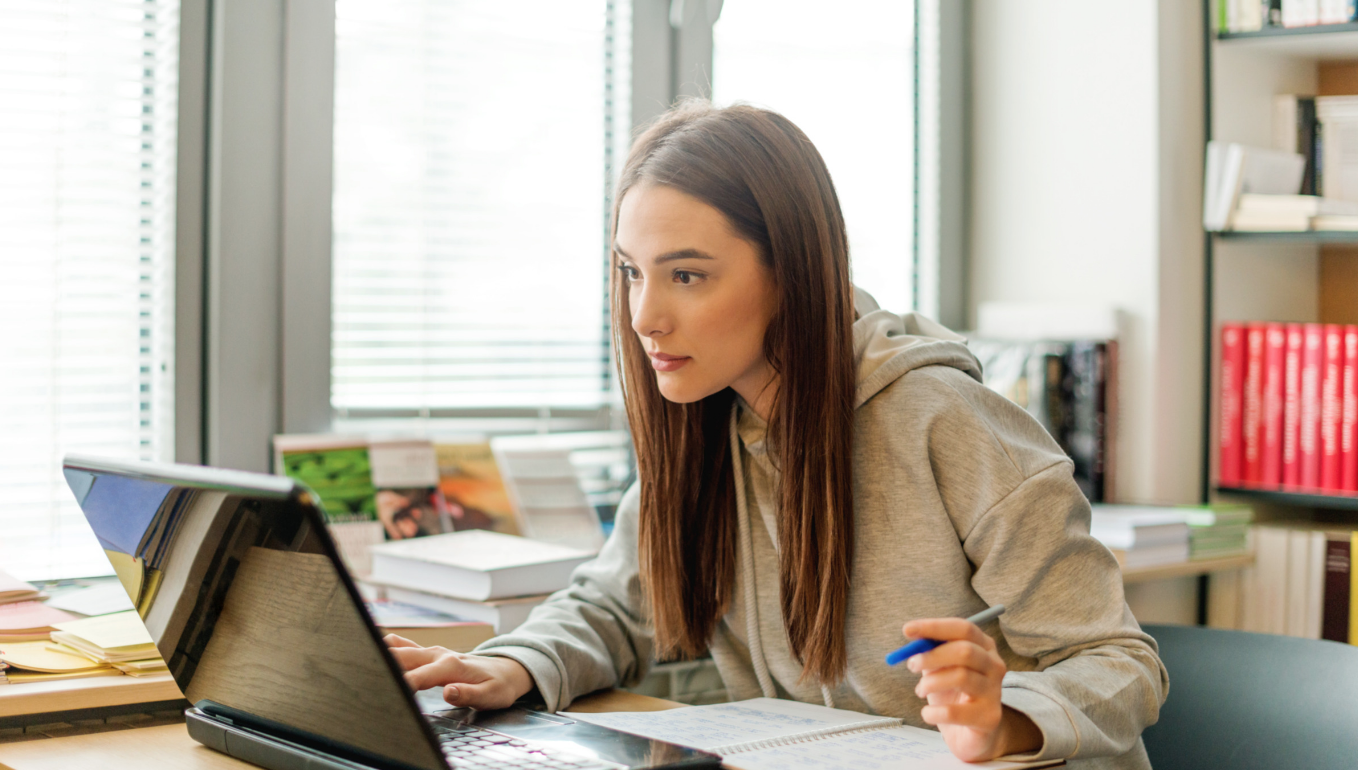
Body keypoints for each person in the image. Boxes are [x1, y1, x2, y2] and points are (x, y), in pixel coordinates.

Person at [384, 101, 1168, 768]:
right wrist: (507, 663)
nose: (645, 315)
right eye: (631, 271)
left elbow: (1120, 662)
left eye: (686, 275)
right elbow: (616, 607)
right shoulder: (707, 421)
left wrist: (1004, 718)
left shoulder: (944, 421)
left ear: (792, 270)